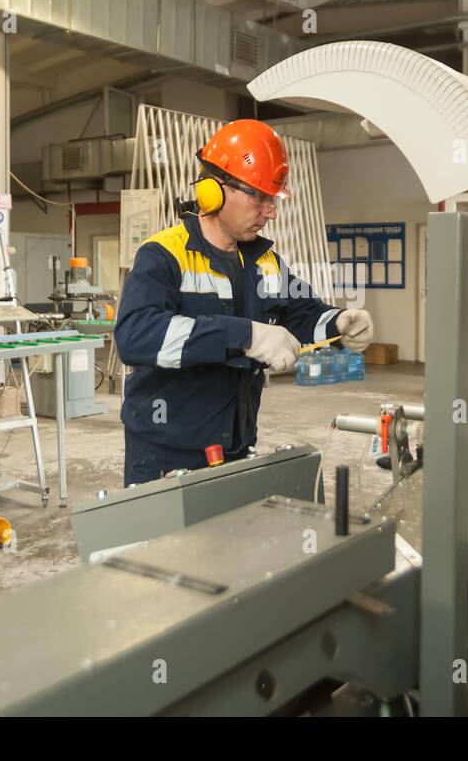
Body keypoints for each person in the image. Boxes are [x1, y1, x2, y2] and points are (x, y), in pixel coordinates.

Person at [114, 119, 373, 486]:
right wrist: (243, 335)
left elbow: (301, 313)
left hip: (235, 446)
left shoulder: (263, 262)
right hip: (164, 452)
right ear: (212, 192)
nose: (270, 212)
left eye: (274, 199)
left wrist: (340, 322)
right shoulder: (163, 255)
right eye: (259, 197)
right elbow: (135, 336)